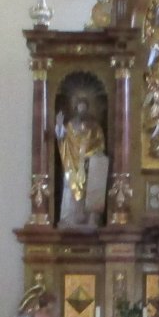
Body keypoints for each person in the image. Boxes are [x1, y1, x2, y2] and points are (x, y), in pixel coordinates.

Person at [53, 89, 105, 226]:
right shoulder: (70, 125)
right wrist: (59, 125)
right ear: (76, 108)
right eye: (79, 107)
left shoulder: (95, 127)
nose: (82, 110)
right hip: (72, 163)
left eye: (84, 107)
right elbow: (62, 139)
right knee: (70, 188)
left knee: (90, 190)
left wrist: (93, 156)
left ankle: (90, 219)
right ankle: (70, 217)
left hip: (89, 164)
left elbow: (100, 144)